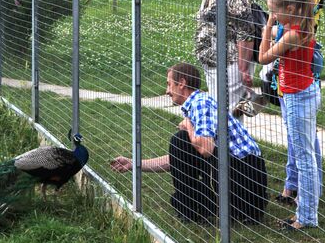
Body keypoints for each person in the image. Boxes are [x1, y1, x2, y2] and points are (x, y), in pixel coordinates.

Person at [110, 63, 268, 224]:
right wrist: (133, 164)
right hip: (246, 189)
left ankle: (191, 209)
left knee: (179, 141)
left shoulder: (200, 103)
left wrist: (188, 125)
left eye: (169, 84)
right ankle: (191, 204)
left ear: (182, 83)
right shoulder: (199, 103)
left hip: (245, 186)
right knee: (182, 149)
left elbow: (206, 149)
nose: (167, 91)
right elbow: (177, 159)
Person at [262, 0, 325, 207]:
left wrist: (272, 27)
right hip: (291, 57)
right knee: (297, 131)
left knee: (301, 134)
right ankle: (294, 184)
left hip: (300, 59)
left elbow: (299, 20)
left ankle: (306, 192)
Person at [258, 0, 321, 231]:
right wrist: (276, 25)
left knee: (305, 158)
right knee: (305, 153)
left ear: (292, 8)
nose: (273, 15)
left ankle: (305, 216)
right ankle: (307, 210)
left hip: (297, 97)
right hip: (304, 91)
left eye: (276, 10)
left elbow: (263, 57)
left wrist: (267, 27)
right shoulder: (300, 25)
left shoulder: (293, 34)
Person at [194, 0, 256, 114]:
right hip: (213, 65)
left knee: (227, 115)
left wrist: (243, 69)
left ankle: (228, 141)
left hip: (230, 66)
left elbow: (246, 32)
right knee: (219, 112)